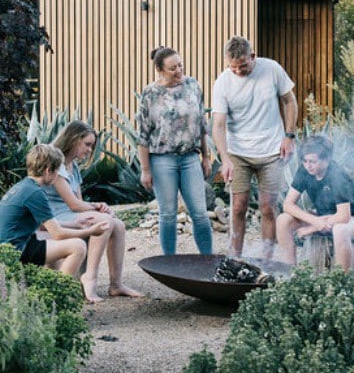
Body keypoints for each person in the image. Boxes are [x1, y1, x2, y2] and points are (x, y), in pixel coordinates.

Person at [211, 35, 297, 257]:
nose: (238, 71)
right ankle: (235, 258)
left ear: (253, 57)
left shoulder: (272, 69)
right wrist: (225, 158)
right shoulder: (222, 82)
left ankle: (267, 260)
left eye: (243, 66)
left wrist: (289, 136)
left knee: (268, 207)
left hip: (271, 151)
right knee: (238, 207)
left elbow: (290, 101)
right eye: (233, 67)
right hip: (238, 153)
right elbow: (218, 125)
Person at [44, 121, 143, 303]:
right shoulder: (56, 165)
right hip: (54, 216)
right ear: (74, 140)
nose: (90, 150)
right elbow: (74, 205)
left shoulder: (73, 166)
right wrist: (98, 207)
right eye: (87, 144)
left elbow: (79, 202)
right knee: (104, 221)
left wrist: (98, 207)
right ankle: (90, 277)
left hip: (69, 213)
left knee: (118, 225)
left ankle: (116, 284)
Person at [136, 47, 215, 255]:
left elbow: (201, 125)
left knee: (200, 213)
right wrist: (145, 169)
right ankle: (169, 263)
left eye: (180, 65)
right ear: (160, 70)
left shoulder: (192, 86)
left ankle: (207, 261)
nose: (179, 70)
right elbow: (143, 134)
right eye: (173, 68)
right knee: (168, 214)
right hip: (162, 159)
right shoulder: (150, 93)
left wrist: (205, 156)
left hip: (190, 157)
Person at [0, 143, 106, 279]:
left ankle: (49, 285)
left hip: (6, 249)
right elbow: (58, 234)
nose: (57, 175)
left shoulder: (23, 187)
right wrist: (91, 231)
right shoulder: (35, 193)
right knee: (78, 246)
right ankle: (60, 291)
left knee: (55, 246)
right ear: (47, 170)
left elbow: (43, 225)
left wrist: (76, 224)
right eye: (57, 171)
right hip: (15, 252)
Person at [275, 135, 354, 270]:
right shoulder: (305, 170)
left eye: (312, 161)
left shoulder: (338, 177)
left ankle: (341, 281)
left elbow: (343, 216)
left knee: (340, 230)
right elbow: (288, 204)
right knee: (283, 220)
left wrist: (313, 227)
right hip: (322, 216)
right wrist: (315, 221)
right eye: (305, 161)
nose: (308, 166)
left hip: (349, 219)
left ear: (327, 159)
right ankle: (288, 271)